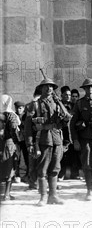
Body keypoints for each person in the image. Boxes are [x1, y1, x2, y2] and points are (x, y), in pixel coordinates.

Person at [24, 78, 71, 206]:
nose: (49, 89)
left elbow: (65, 121)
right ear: (41, 89)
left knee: (55, 168)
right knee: (42, 169)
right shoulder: (34, 105)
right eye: (46, 87)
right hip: (42, 139)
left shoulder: (57, 104)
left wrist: (62, 108)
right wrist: (29, 144)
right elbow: (28, 127)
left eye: (51, 87)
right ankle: (43, 196)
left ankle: (53, 195)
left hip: (56, 139)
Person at [0, 95, 20, 201]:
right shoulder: (11, 115)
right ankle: (6, 194)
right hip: (9, 144)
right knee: (10, 167)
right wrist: (17, 143)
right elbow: (14, 129)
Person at [14, 101, 29, 183]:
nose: (18, 110)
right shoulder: (14, 115)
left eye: (20, 108)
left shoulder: (25, 116)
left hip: (25, 139)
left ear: (23, 108)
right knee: (17, 157)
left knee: (27, 157)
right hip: (17, 140)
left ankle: (27, 174)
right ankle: (17, 175)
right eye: (17, 108)